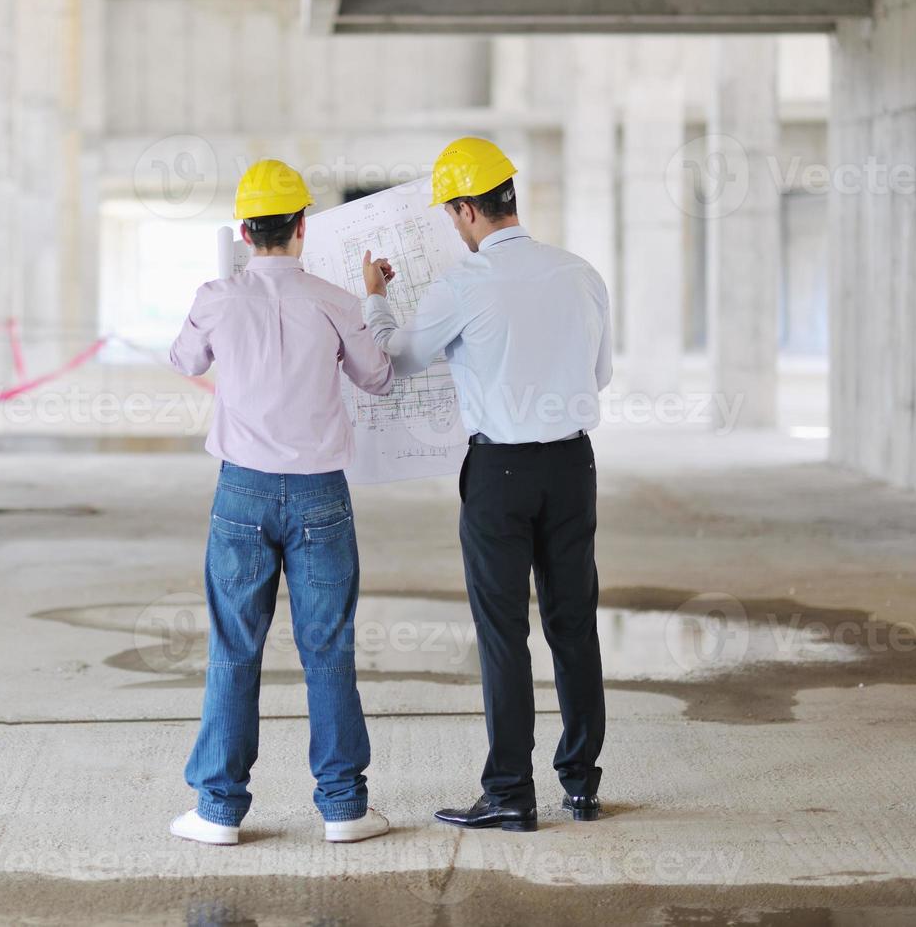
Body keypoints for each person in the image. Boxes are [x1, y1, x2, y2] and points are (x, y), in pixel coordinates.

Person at [361, 137, 612, 832]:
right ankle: (582, 785)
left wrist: (376, 300)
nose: (453, 225)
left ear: (469, 208)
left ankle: (509, 793)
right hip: (572, 466)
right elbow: (600, 376)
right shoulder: (580, 273)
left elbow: (398, 361)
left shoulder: (465, 285)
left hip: (500, 472)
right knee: (573, 623)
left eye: (451, 213)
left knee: (504, 633)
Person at [167, 158, 394, 846]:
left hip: (241, 492)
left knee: (234, 649)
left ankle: (218, 812)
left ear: (243, 231)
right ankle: (344, 808)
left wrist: (217, 307)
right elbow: (379, 377)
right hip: (322, 496)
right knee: (328, 648)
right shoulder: (334, 301)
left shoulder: (218, 294)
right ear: (303, 228)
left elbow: (184, 361)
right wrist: (375, 299)